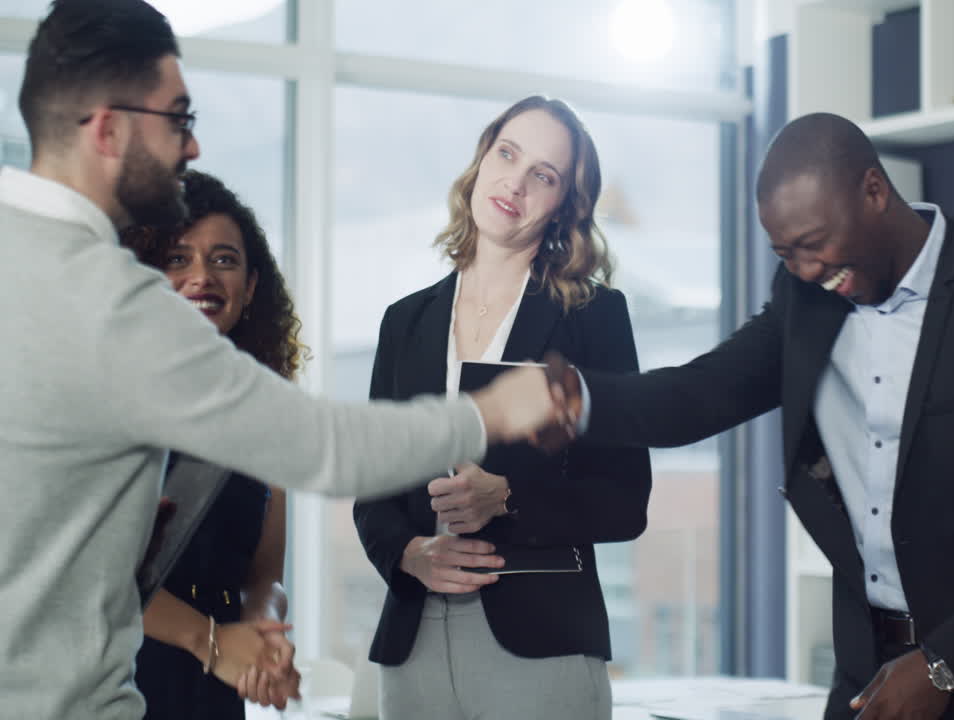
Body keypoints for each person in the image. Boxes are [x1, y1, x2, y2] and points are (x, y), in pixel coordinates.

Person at [0, 2, 565, 718]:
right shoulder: (112, 303)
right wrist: (496, 409)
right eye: (178, 118)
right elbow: (328, 449)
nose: (192, 147)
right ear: (108, 129)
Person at [554, 112, 954, 719]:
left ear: (873, 190)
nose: (806, 268)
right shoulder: (805, 300)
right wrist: (572, 400)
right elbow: (700, 393)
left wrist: (945, 667)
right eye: (785, 254)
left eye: (814, 244)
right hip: (865, 678)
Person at [352, 95, 652, 720]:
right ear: (482, 160)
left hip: (541, 643)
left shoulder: (593, 318)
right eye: (507, 154)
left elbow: (627, 499)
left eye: (543, 174)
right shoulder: (404, 322)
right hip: (414, 642)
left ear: (565, 204)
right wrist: (407, 554)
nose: (515, 182)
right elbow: (371, 486)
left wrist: (509, 496)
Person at [119, 170, 304, 717]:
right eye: (177, 258)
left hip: (216, 689)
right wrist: (212, 642)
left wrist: (264, 630)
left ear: (249, 289)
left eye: (224, 259)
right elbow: (88, 576)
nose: (202, 276)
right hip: (116, 679)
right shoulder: (103, 400)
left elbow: (263, 574)